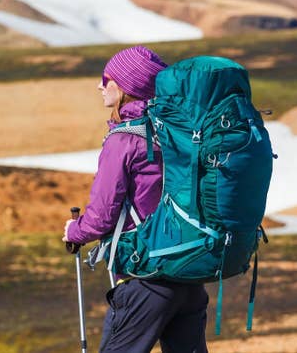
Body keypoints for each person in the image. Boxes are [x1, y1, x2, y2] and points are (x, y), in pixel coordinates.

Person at [63, 46, 209, 353]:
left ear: (125, 87)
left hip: (146, 279)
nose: (99, 85)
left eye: (107, 78)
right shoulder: (175, 134)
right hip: (190, 275)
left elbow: (101, 217)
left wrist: (74, 231)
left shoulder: (124, 141)